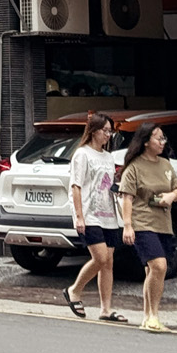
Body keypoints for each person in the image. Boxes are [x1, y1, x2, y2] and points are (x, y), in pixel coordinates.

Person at [118, 123, 177, 333]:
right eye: (158, 138)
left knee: (152, 271)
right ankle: (153, 315)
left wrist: (171, 196)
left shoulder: (165, 164)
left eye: (164, 138)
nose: (162, 142)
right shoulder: (134, 166)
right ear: (146, 142)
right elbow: (126, 197)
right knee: (159, 266)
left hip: (163, 222)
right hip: (142, 223)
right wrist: (127, 226)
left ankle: (148, 316)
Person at [63, 113, 125, 323]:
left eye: (110, 131)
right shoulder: (82, 154)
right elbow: (76, 186)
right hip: (90, 214)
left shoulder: (108, 157)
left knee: (108, 263)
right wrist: (79, 216)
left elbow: (106, 184)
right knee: (100, 258)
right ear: (93, 131)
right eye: (105, 130)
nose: (108, 135)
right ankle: (74, 290)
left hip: (109, 214)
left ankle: (106, 309)